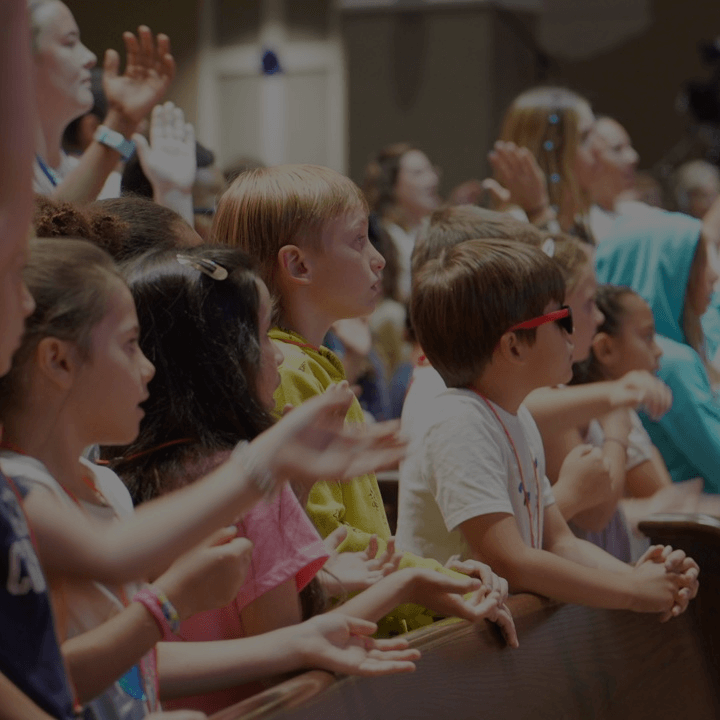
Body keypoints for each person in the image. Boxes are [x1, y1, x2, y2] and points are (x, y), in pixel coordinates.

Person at [104, 244, 511, 714]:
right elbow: (286, 661)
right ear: (218, 361)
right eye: (262, 334)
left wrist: (318, 568)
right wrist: (407, 584)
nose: (277, 356)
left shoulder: (116, 475)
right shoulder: (240, 482)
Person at [212, 164, 515, 636]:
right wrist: (437, 579)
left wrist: (435, 574)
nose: (378, 260)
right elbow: (321, 540)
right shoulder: (285, 373)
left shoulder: (310, 362)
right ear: (297, 265)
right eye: (358, 242)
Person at [397, 238, 698, 619]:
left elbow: (559, 543)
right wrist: (633, 592)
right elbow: (511, 562)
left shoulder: (516, 416)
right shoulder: (459, 420)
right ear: (514, 346)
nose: (571, 333)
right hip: (441, 646)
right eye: (561, 319)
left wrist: (642, 577)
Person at [595, 211, 720, 493]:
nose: (713, 275)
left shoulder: (658, 348)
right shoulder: (670, 361)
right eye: (698, 263)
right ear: (665, 273)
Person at [491, 86, 599, 241]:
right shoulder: (513, 227)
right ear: (551, 154)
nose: (599, 148)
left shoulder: (582, 220)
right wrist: (538, 214)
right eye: (584, 138)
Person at [363, 144, 441, 300]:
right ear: (393, 185)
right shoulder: (376, 235)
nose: (433, 179)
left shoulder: (436, 229)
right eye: (418, 173)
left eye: (431, 170)